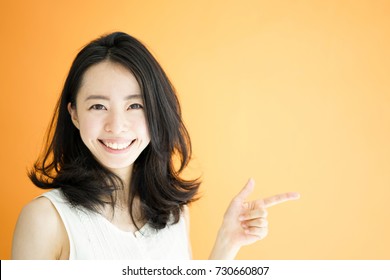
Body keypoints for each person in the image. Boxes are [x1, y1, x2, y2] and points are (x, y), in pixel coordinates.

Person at [11, 32, 300, 260]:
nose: (116, 125)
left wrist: (227, 242)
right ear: (74, 114)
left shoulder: (173, 212)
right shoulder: (45, 220)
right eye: (98, 106)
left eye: (135, 105)